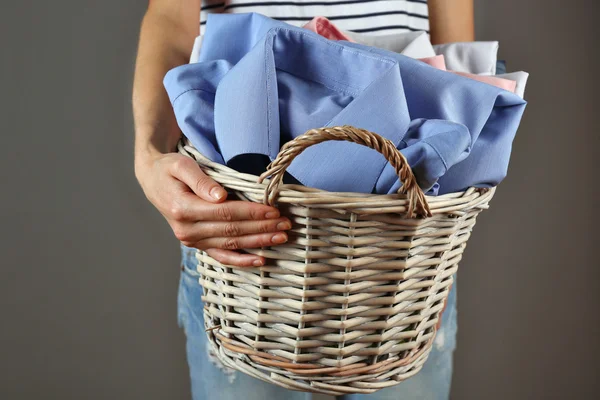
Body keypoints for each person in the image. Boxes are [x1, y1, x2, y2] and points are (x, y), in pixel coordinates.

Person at [133, 1, 474, 399]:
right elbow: (172, 18)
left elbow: (454, 48)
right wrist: (149, 156)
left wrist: (440, 228)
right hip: (243, 228)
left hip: (400, 247)